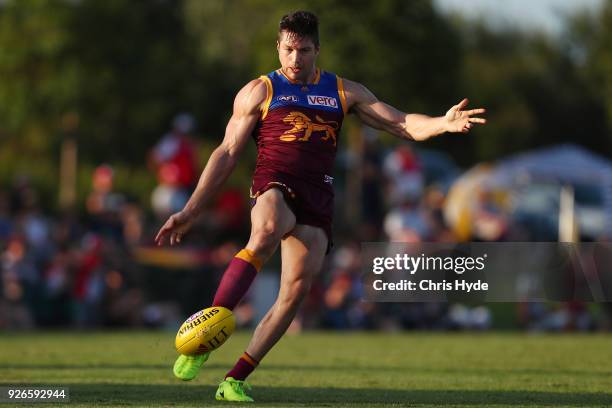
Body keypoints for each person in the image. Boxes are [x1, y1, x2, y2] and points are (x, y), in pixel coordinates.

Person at [155, 10, 486, 402]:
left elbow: (401, 123)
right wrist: (192, 208)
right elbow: (227, 151)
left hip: (318, 196)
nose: (295, 59)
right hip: (274, 182)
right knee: (266, 228)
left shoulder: (344, 91)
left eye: (305, 50)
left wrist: (441, 123)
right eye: (289, 49)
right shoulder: (259, 91)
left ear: (318, 50)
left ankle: (235, 379)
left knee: (295, 291)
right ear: (278, 47)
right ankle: (205, 337)